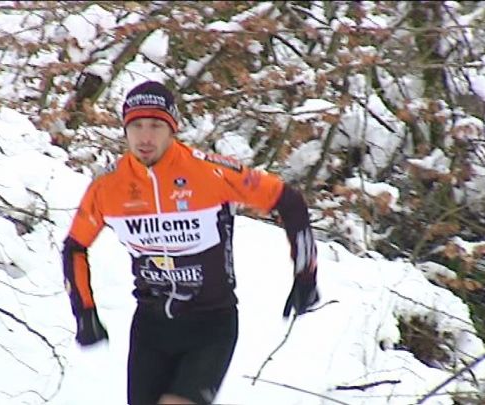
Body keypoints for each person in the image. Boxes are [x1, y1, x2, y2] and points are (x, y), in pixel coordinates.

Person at [61, 81, 319, 405]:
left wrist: (306, 274)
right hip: (150, 327)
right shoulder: (107, 187)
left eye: (156, 126)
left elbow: (288, 200)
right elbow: (74, 248)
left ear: (172, 129)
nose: (145, 137)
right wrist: (84, 312)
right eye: (136, 126)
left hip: (211, 324)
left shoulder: (209, 171)